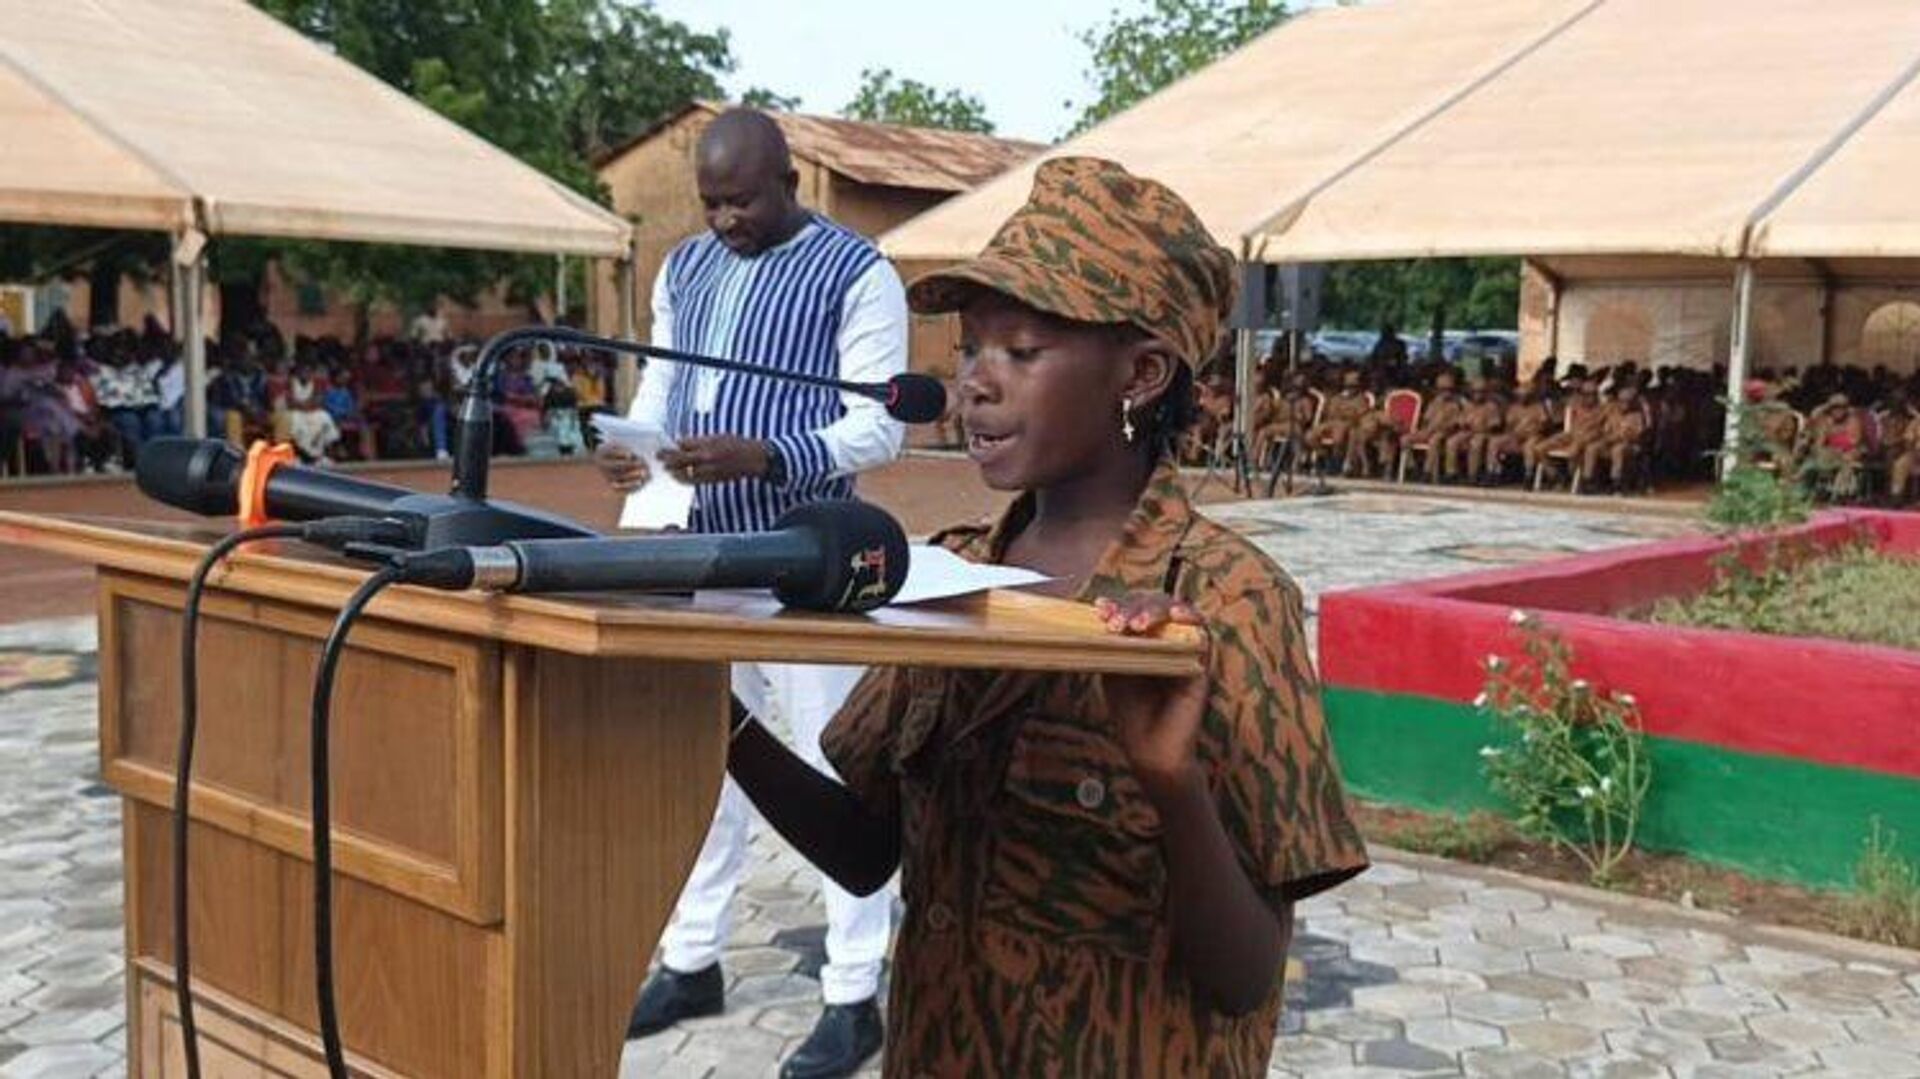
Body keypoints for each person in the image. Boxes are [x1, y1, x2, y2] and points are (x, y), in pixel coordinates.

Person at [727, 157, 1367, 1075]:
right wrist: (724, 720)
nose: (973, 385)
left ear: (1141, 372)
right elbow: (867, 851)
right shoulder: (945, 573)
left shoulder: (1228, 600)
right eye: (968, 351)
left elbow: (1245, 976)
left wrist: (1168, 781)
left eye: (1019, 353)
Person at [597, 108, 907, 1079]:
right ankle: (693, 958)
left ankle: (855, 992)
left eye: (743, 199)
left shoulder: (858, 271)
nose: (725, 217)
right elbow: (661, 389)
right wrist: (636, 453)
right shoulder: (682, 268)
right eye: (712, 201)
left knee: (828, 769)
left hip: (812, 562)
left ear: (790, 183)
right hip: (697, 554)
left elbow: (879, 426)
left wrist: (771, 451)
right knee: (704, 758)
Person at [1401, 370, 1466, 483]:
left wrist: (1442, 428)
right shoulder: (1434, 402)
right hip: (1429, 430)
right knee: (1405, 439)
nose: (1445, 393)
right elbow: (1426, 419)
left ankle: (1428, 472)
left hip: (1445, 432)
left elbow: (1458, 423)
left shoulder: (1458, 403)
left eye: (1448, 389)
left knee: (1434, 440)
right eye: (1441, 390)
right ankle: (1412, 468)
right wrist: (1425, 429)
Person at [1582, 383, 1650, 492]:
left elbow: (1630, 435)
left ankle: (1616, 482)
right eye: (1621, 400)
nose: (1624, 403)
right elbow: (1603, 427)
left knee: (1617, 450)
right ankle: (1588, 480)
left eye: (1626, 401)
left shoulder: (1636, 416)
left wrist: (1610, 439)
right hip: (1610, 442)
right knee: (1592, 448)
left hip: (1630, 445)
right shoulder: (1613, 413)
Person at [1486, 379, 1553, 483]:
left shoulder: (1539, 407)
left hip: (1533, 436)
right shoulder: (1513, 407)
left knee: (1529, 446)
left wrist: (1531, 431)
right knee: (1494, 442)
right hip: (1515, 437)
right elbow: (1509, 426)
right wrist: (1515, 435)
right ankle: (1491, 472)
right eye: (1520, 395)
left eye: (1525, 395)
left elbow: (1544, 426)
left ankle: (1528, 475)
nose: (1522, 397)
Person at [1308, 369, 1370, 475]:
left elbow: (1360, 415)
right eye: (1348, 386)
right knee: (1310, 436)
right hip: (1331, 422)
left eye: (1353, 386)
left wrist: (1346, 414)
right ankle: (1324, 456)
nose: (1350, 389)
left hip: (1347, 424)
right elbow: (1330, 413)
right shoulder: (1337, 398)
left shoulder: (1361, 399)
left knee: (1338, 438)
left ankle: (1335, 463)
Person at [1447, 378, 1505, 484]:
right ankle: (1451, 472)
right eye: (1475, 391)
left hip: (1484, 433)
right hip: (1468, 431)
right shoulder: (1467, 405)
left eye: (1481, 392)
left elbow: (1495, 425)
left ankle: (1472, 475)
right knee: (1451, 442)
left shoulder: (1491, 406)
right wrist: (1463, 424)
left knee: (1475, 443)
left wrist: (1483, 427)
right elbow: (1460, 421)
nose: (1478, 394)